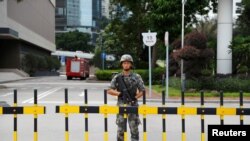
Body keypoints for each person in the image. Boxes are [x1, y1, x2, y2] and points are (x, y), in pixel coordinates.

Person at [107, 54, 145, 141]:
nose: (126, 65)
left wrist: (135, 98)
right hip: (121, 106)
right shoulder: (117, 77)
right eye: (124, 63)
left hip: (133, 106)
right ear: (122, 64)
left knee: (134, 130)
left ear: (131, 64)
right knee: (120, 130)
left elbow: (142, 90)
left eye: (128, 63)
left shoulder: (136, 77)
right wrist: (119, 94)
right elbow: (109, 90)